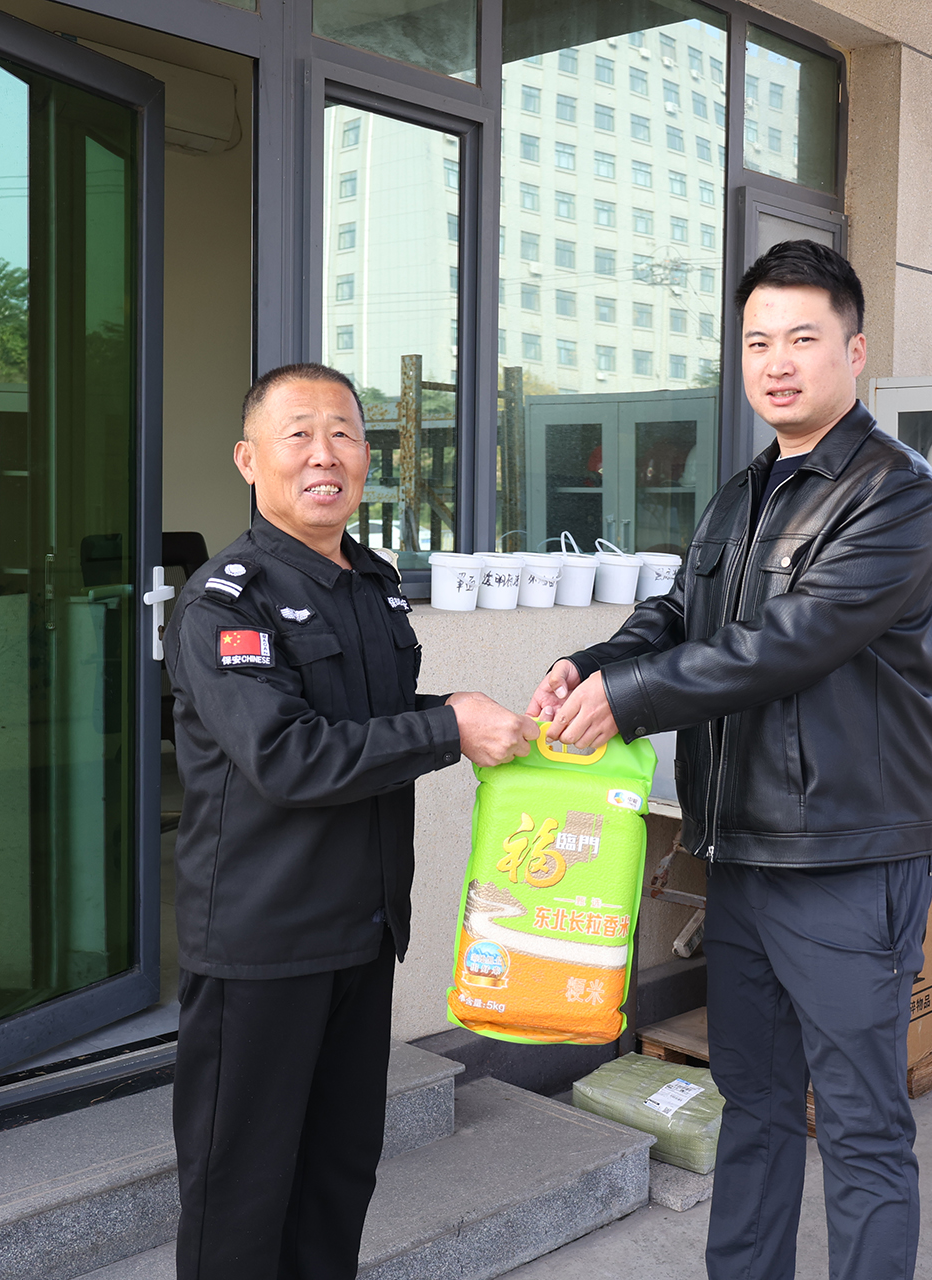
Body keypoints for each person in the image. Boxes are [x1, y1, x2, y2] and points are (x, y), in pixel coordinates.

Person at [531, 242, 932, 1280]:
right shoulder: (742, 492)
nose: (777, 362)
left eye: (802, 338)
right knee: (754, 1105)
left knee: (858, 1124)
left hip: (844, 856)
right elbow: (682, 613)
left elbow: (787, 643)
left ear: (855, 350)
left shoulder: (893, 493)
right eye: (758, 342)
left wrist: (627, 700)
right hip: (744, 853)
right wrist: (592, 664)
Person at [165, 362, 537, 1280]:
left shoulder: (371, 581)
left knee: (336, 1179)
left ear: (370, 456)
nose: (324, 454)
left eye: (344, 434)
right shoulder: (226, 602)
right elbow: (289, 754)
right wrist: (448, 728)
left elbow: (372, 717)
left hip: (361, 934)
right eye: (298, 434)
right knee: (241, 1196)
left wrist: (465, 712)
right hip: (262, 946)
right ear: (249, 459)